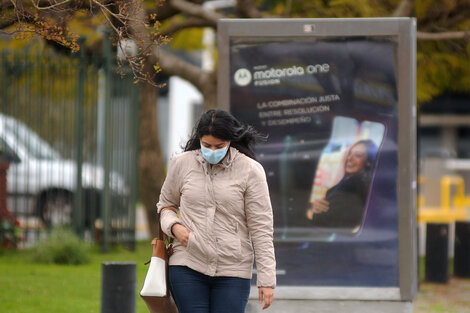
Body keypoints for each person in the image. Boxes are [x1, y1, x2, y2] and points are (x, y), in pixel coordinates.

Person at [157, 109, 276, 313]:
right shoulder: (181, 163)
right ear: (199, 140)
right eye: (206, 145)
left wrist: (267, 280)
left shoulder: (251, 170)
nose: (212, 150)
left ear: (230, 141)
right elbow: (165, 205)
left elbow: (261, 229)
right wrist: (175, 227)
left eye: (219, 146)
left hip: (233, 269)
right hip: (187, 263)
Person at [308, 139, 378, 231]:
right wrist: (316, 206)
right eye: (349, 154)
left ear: (368, 162)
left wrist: (310, 212)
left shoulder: (353, 184)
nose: (349, 158)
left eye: (357, 155)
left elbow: (323, 220)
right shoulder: (358, 181)